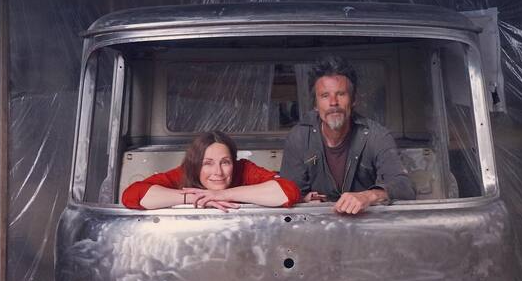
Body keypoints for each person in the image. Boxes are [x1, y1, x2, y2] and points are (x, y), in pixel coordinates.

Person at [279, 56, 416, 214]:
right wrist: (303, 200)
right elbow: (286, 194)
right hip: (316, 226)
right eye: (325, 96)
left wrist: (368, 196)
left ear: (353, 100)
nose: (333, 102)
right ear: (315, 105)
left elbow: (404, 187)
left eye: (341, 94)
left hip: (368, 226)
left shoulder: (376, 136)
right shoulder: (299, 138)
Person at [122, 131, 300, 211]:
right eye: (207, 163)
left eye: (225, 162)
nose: (218, 172)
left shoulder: (244, 169)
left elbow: (288, 191)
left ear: (234, 161)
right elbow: (132, 195)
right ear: (195, 164)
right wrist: (197, 198)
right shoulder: (184, 173)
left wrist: (221, 195)